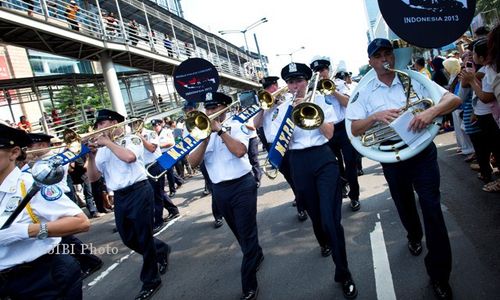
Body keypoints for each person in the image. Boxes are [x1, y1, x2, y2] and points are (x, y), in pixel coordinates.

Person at [346, 38, 461, 299]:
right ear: (370, 62)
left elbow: (452, 99)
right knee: (404, 202)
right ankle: (413, 233)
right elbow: (354, 128)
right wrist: (375, 116)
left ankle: (439, 275)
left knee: (432, 209)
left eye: (388, 53)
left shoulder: (415, 80)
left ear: (394, 56)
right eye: (379, 56)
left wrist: (430, 113)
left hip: (422, 153)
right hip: (391, 156)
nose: (385, 58)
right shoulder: (363, 93)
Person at [274, 62, 357, 298]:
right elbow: (277, 145)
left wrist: (309, 107)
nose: (295, 85)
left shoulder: (320, 99)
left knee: (331, 220)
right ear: (287, 86)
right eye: (291, 82)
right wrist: (289, 114)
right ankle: (324, 241)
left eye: (299, 80)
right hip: (298, 162)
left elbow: (330, 133)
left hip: (323, 159)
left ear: (306, 81)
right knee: (318, 219)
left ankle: (344, 273)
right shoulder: (281, 110)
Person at [86, 109, 170, 300]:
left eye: (103, 123)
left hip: (139, 190)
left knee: (144, 236)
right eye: (98, 125)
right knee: (128, 238)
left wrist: (107, 142)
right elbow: (93, 177)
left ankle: (151, 280)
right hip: (120, 197)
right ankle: (161, 250)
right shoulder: (100, 151)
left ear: (115, 123)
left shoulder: (131, 139)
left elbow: (130, 157)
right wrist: (90, 156)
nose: (100, 128)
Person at [0, 124, 90, 299]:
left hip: (42, 276)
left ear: (14, 153)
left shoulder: (30, 185)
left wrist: (26, 231)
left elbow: (80, 222)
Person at [188, 92, 264, 300]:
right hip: (220, 190)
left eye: (214, 108)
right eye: (208, 109)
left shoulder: (237, 125)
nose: (210, 112)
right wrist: (204, 139)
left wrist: (219, 131)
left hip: (242, 186)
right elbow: (192, 163)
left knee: (247, 232)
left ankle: (249, 285)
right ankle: (255, 253)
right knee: (239, 232)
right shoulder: (200, 132)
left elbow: (240, 151)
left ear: (224, 108)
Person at [253, 76, 308, 221]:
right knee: (289, 176)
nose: (269, 90)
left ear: (277, 86)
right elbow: (256, 124)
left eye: (271, 86)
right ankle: (299, 197)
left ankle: (302, 204)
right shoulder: (264, 105)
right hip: (274, 146)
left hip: (289, 143)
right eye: (266, 88)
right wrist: (262, 109)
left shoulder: (289, 98)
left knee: (297, 176)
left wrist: (281, 102)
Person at [311, 58, 361, 212]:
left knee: (350, 163)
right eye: (317, 71)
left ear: (328, 70)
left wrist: (334, 92)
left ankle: (354, 196)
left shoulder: (339, 84)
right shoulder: (312, 90)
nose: (320, 74)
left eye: (323, 70)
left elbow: (348, 103)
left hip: (343, 128)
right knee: (334, 165)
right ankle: (341, 187)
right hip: (327, 130)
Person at [139, 118, 179, 233]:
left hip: (154, 165)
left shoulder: (150, 133)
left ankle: (158, 221)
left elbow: (152, 148)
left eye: (134, 124)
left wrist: (140, 137)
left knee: (155, 194)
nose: (132, 127)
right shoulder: (132, 138)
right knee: (158, 192)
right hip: (144, 168)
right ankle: (173, 210)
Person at [152, 119, 183, 197]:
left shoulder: (167, 131)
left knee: (169, 171)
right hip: (160, 154)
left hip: (169, 152)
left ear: (160, 125)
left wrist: (159, 145)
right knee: (168, 171)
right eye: (154, 126)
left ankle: (172, 190)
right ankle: (179, 181)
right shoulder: (154, 134)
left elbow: (171, 143)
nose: (156, 127)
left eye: (157, 125)